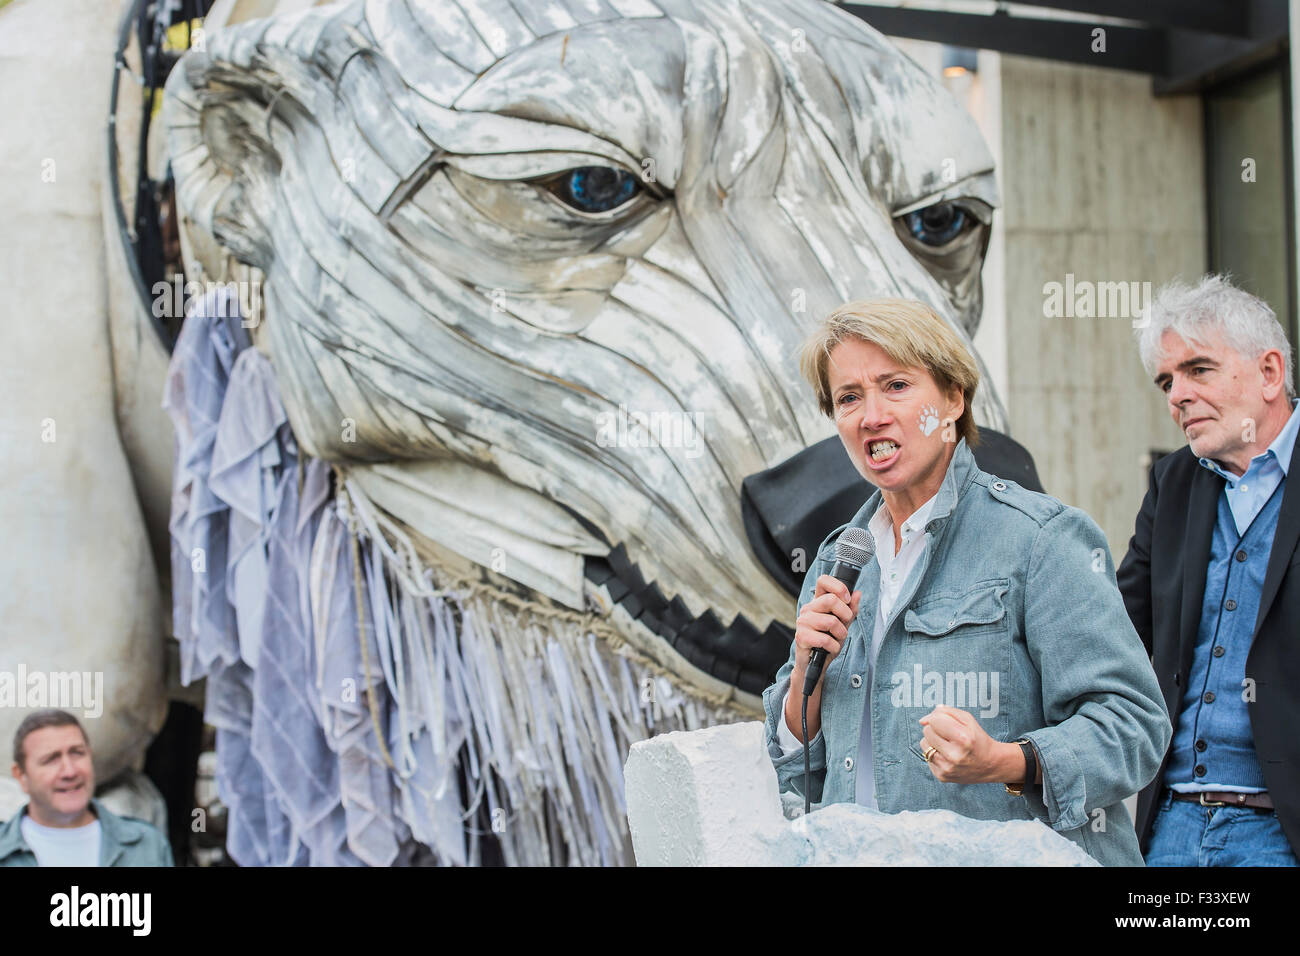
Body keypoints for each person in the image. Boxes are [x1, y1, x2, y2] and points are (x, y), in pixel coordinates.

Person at [763, 298, 1171, 866]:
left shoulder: (1041, 539)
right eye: (849, 398)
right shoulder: (839, 558)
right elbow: (799, 764)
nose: (871, 415)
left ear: (953, 399)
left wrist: (1006, 761)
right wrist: (808, 675)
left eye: (896, 386)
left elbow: (1134, 727)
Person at [1118, 274, 1300, 866]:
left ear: (1269, 373)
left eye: (1198, 370)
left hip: (1283, 832)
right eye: (1167, 382)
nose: (1177, 396)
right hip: (1171, 824)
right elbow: (1112, 632)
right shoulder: (1173, 485)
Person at [1, 709, 173, 867]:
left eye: (77, 753)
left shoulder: (147, 845)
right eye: (51, 759)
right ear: (21, 776)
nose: (69, 771)